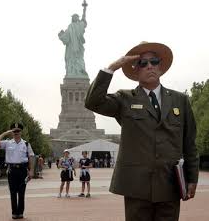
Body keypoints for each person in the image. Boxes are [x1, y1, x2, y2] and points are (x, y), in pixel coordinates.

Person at [85, 41, 199, 221]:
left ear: (160, 67)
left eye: (154, 61)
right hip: (136, 186)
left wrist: (192, 178)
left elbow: (189, 143)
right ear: (136, 70)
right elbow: (93, 102)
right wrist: (112, 68)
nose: (150, 66)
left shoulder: (180, 100)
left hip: (170, 184)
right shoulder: (125, 99)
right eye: (143, 63)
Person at [0, 123, 34, 219]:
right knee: (12, 192)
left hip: (23, 170)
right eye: (14, 131)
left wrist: (31, 170)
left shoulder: (26, 143)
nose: (16, 133)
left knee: (21, 192)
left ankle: (20, 212)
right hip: (12, 170)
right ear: (11, 132)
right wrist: (5, 133)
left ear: (21, 132)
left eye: (18, 131)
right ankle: (14, 213)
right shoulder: (7, 143)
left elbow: (31, 157)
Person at [58, 0, 88, 78]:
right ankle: (71, 72)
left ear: (78, 18)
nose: (74, 18)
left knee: (79, 59)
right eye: (73, 17)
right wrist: (61, 35)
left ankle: (80, 72)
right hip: (71, 47)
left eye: (76, 16)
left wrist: (84, 8)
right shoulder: (70, 27)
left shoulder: (80, 24)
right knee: (70, 59)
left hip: (78, 46)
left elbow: (84, 18)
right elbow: (66, 38)